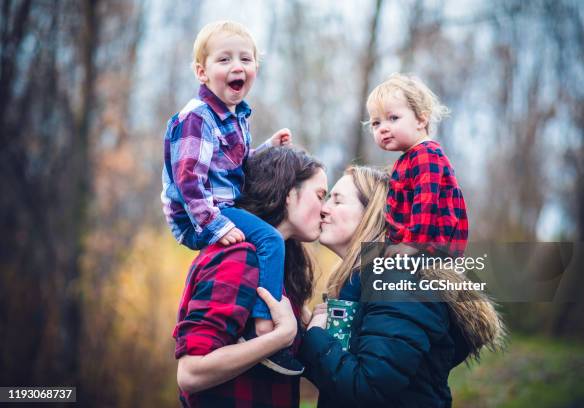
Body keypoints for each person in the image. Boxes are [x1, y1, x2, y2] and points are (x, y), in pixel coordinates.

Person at [299, 166, 504, 407]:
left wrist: (316, 336)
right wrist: (304, 333)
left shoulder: (397, 282)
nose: (324, 208)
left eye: (337, 201)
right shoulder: (364, 281)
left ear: (372, 215)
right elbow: (340, 383)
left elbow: (367, 388)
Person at [161, 20, 299, 373]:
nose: (237, 67)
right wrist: (215, 225)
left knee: (267, 239)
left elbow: (233, 167)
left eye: (246, 59)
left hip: (222, 203)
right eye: (224, 60)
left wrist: (268, 147)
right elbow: (188, 179)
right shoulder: (196, 118)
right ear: (202, 72)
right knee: (270, 241)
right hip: (199, 214)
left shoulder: (235, 116)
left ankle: (254, 319)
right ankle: (263, 329)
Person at [174, 147, 328, 407]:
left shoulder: (276, 266)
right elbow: (190, 373)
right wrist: (280, 337)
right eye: (320, 195)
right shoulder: (240, 257)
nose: (324, 210)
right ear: (289, 193)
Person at [367, 73, 468, 257]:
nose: (382, 128)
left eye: (393, 118)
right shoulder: (408, 158)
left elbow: (426, 202)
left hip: (429, 251)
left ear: (421, 120)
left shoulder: (425, 155)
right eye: (376, 123)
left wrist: (412, 244)